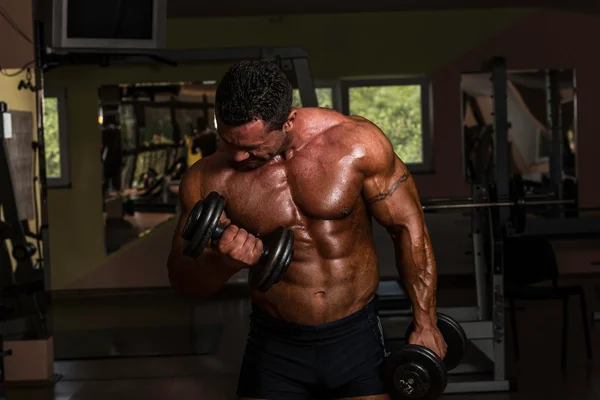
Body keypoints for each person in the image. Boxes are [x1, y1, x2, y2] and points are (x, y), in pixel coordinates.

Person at [167, 60, 447, 400]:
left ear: (288, 120)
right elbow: (184, 282)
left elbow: (408, 227)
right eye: (229, 142)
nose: (239, 158)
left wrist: (425, 321)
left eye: (252, 147)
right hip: (274, 344)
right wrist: (225, 263)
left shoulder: (357, 145)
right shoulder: (206, 179)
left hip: (355, 338)